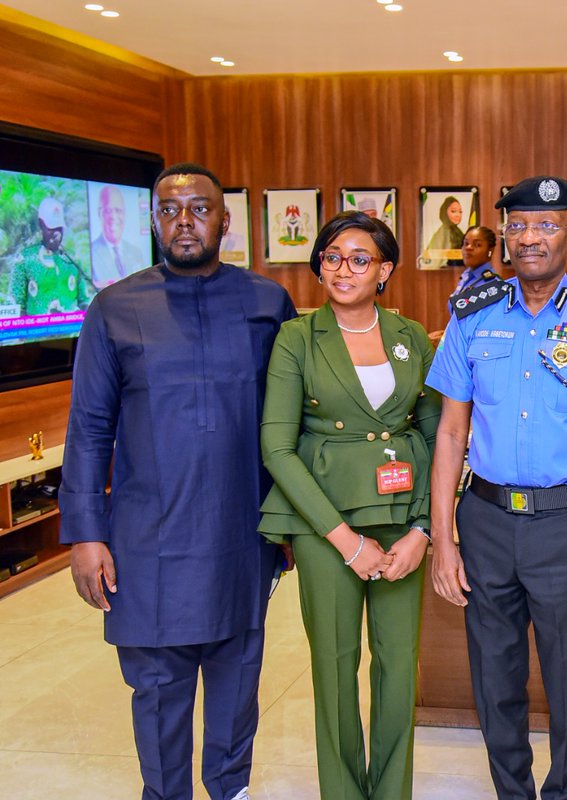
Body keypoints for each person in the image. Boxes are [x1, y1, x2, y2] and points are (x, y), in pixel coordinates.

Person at [59, 162, 296, 800]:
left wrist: (292, 523)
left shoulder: (266, 303)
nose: (184, 221)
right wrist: (85, 534)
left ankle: (231, 789)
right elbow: (88, 430)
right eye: (170, 210)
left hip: (240, 533)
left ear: (225, 220)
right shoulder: (114, 308)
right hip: (145, 540)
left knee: (237, 680)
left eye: (199, 208)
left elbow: (293, 424)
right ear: (155, 222)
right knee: (158, 693)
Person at [425, 175, 567, 800]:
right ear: (505, 237)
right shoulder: (473, 317)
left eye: (546, 226)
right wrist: (444, 539)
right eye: (518, 226)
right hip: (487, 522)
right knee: (493, 681)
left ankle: (566, 794)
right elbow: (449, 435)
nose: (530, 238)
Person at [258, 211, 441, 800]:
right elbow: (278, 448)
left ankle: (391, 793)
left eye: (360, 259)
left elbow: (442, 439)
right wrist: (347, 541)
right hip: (326, 526)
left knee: (396, 669)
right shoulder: (297, 336)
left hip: (402, 522)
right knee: (335, 670)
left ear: (384, 269)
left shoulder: (412, 336)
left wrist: (423, 530)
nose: (343, 269)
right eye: (332, 256)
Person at [9, 196, 90, 314]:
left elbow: (84, 301)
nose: (56, 234)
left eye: (59, 228)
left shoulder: (72, 259)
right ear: (41, 224)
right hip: (36, 331)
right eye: (51, 228)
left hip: (72, 331)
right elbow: (15, 305)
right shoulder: (25, 258)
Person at [90, 184, 143, 288]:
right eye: (108, 211)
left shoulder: (136, 253)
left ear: (124, 214)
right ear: (99, 213)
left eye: (118, 211)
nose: (113, 217)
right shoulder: (92, 254)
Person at [449, 224, 500, 304]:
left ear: (490, 250)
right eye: (466, 243)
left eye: (477, 245)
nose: (468, 248)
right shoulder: (466, 276)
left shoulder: (492, 284)